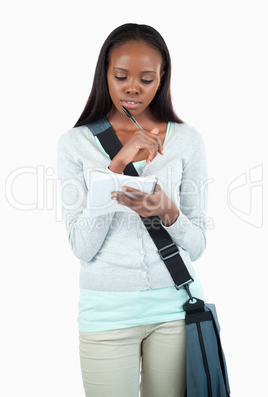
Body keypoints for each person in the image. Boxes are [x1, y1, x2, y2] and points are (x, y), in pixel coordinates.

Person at [57, 23, 208, 397]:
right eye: (121, 76)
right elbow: (82, 247)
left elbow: (198, 245)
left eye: (146, 78)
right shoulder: (74, 144)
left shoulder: (187, 140)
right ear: (105, 74)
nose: (132, 88)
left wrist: (169, 211)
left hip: (173, 309)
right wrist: (116, 168)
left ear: (162, 80)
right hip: (105, 313)